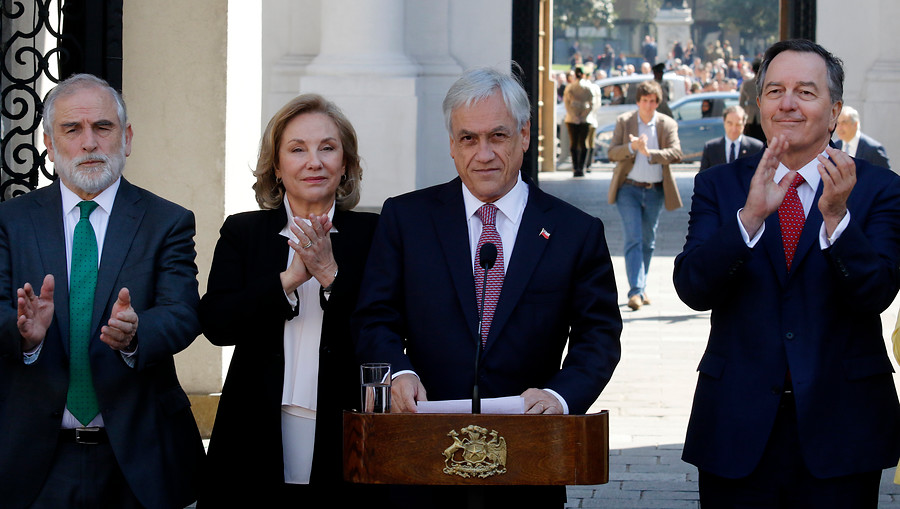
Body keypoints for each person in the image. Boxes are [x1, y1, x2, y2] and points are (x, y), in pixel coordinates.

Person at [353, 65, 622, 509]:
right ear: (452, 145)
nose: (483, 154)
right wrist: (398, 372)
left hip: (527, 464)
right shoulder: (406, 219)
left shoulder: (576, 232)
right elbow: (374, 316)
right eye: (468, 139)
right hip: (422, 460)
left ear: (524, 135)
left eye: (497, 136)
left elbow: (599, 336)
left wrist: (560, 397)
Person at [675, 39, 900, 507]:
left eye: (806, 92)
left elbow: (876, 292)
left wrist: (837, 220)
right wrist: (749, 219)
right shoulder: (720, 184)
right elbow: (693, 288)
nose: (788, 103)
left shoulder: (878, 188)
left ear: (834, 111)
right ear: (759, 105)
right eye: (775, 91)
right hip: (736, 426)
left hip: (844, 428)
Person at [0, 73, 204, 508]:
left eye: (103, 127)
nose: (89, 142)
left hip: (140, 458)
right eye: (72, 129)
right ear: (49, 144)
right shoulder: (10, 221)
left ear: (126, 138)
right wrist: (24, 335)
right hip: (32, 460)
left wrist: (135, 333)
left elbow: (183, 312)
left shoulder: (167, 221)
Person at [197, 94, 379, 506]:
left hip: (348, 427)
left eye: (327, 148)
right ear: (276, 167)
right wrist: (289, 279)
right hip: (254, 427)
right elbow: (217, 323)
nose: (314, 162)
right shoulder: (243, 232)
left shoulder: (375, 234)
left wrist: (330, 275)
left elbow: (385, 325)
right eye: (297, 150)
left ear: (346, 164)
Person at [608, 80, 682, 311]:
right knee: (634, 238)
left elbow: (676, 152)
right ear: (638, 101)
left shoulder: (666, 124)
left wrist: (651, 153)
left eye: (652, 101)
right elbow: (612, 152)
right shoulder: (625, 121)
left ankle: (641, 286)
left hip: (654, 190)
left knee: (648, 241)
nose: (648, 105)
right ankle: (635, 291)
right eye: (644, 101)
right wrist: (632, 147)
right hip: (628, 188)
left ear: (657, 103)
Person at [698, 105, 764, 172]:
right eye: (730, 124)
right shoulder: (710, 148)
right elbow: (702, 176)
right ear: (724, 122)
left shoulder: (756, 148)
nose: (733, 129)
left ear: (744, 124)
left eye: (738, 124)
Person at [563, 67, 598, 176]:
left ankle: (575, 167)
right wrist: (583, 115)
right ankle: (581, 167)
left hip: (572, 118)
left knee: (574, 143)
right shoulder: (588, 87)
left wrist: (574, 116)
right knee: (583, 143)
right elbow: (592, 104)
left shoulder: (570, 87)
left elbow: (566, 103)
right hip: (584, 119)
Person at [835, 105, 890, 169]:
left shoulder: (873, 150)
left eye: (844, 123)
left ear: (855, 124)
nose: (839, 128)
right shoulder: (833, 147)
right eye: (837, 123)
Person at [740, 58, 765, 141]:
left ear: (752, 70)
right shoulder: (765, 83)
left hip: (749, 116)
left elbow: (741, 103)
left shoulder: (746, 84)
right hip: (762, 117)